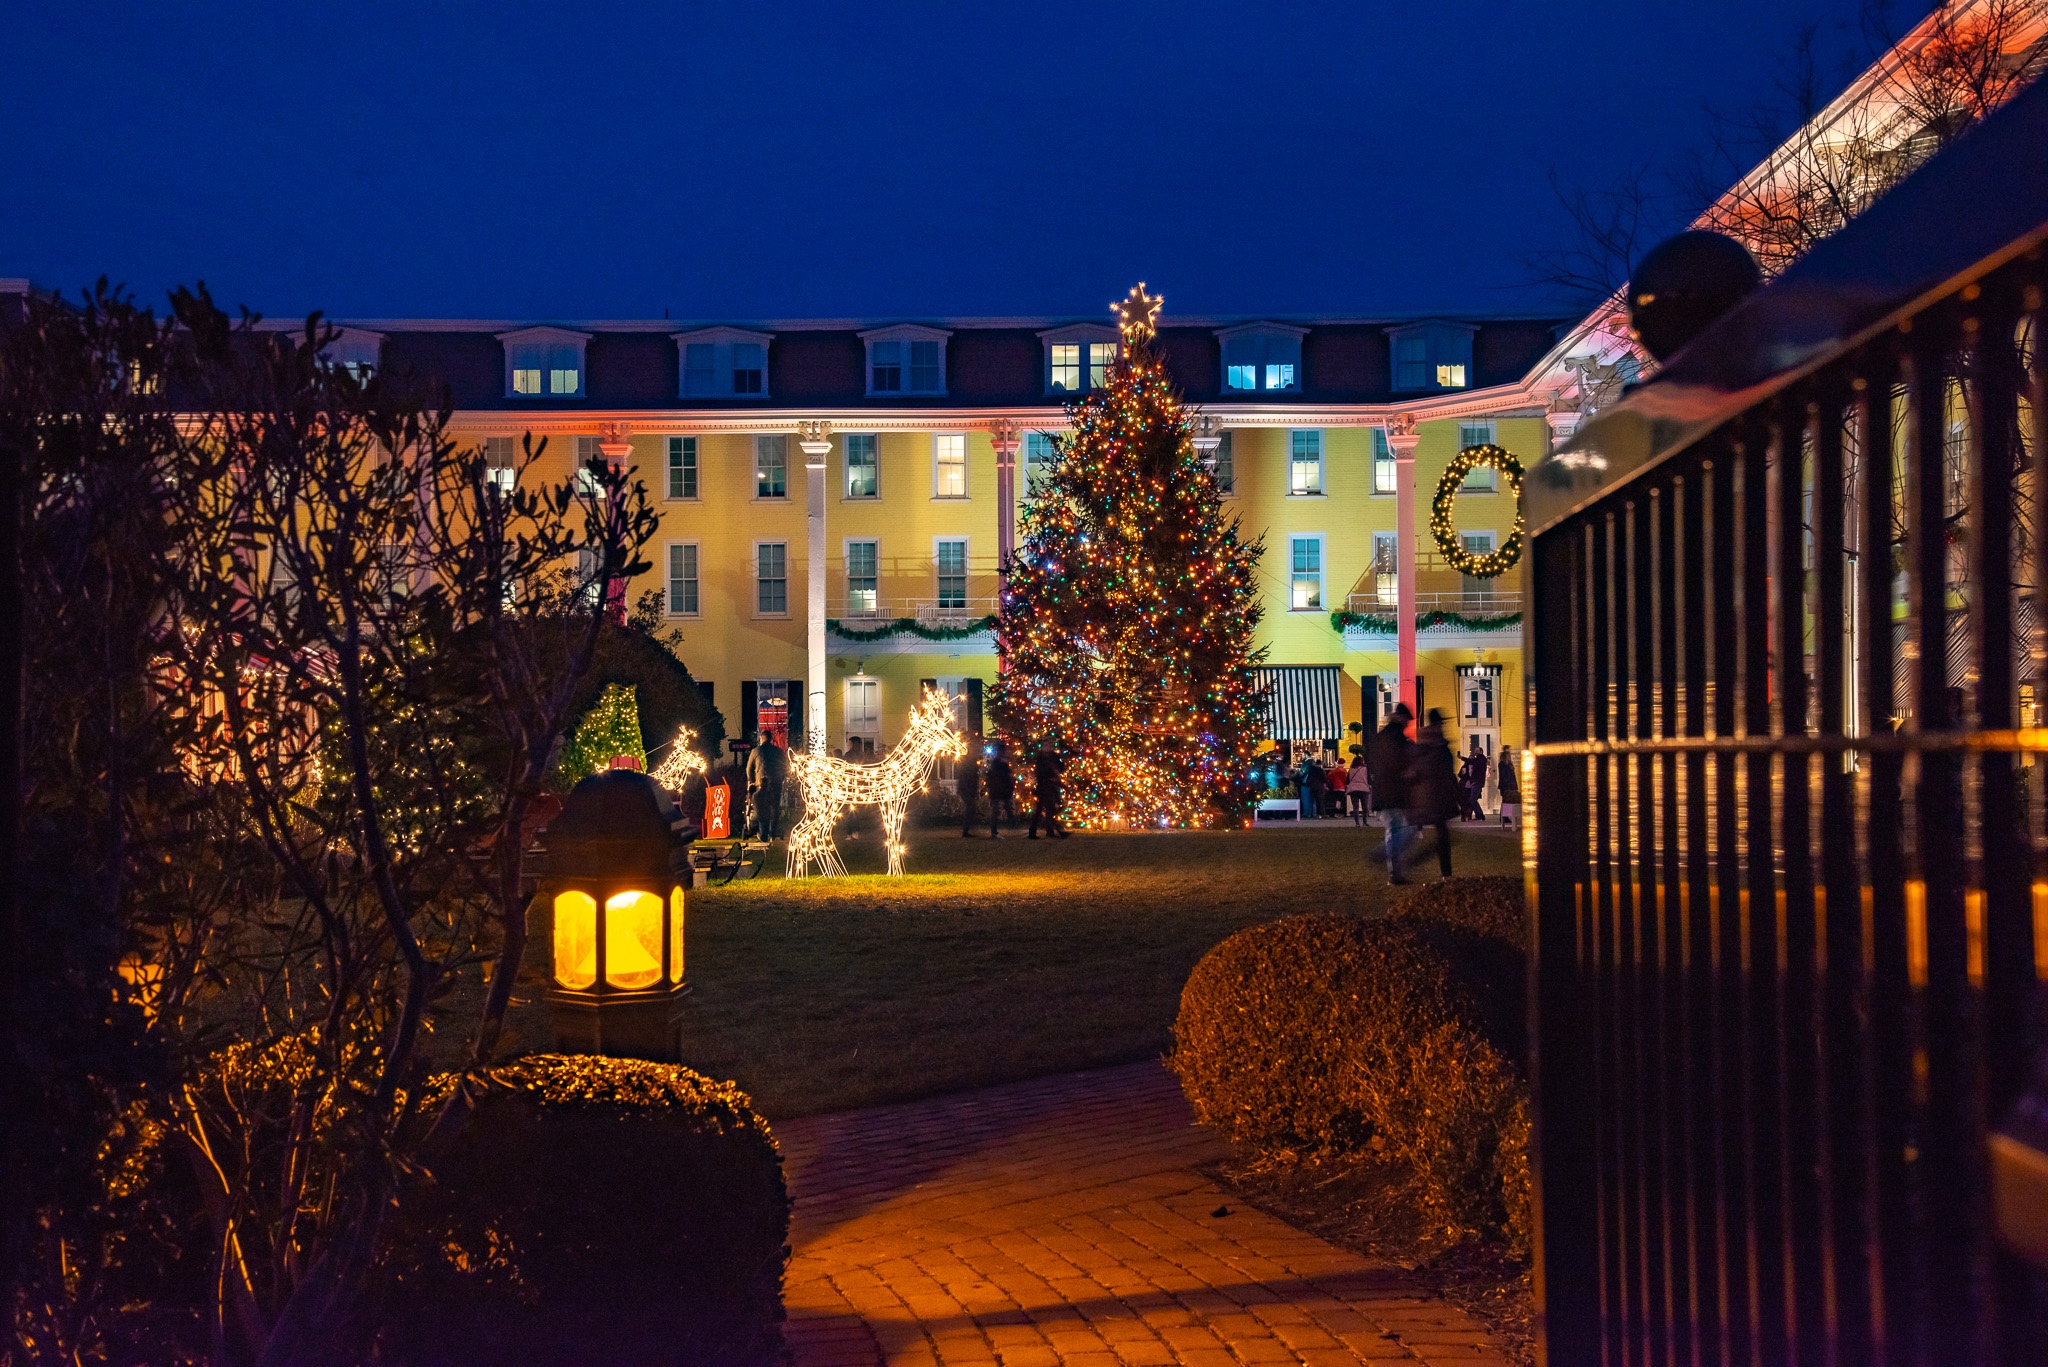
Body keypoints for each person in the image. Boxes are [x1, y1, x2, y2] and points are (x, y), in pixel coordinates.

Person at [1404, 709, 1462, 881]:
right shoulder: (1438, 746)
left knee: (1439, 835)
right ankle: (1441, 872)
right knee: (1442, 836)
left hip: (1429, 796)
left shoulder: (1425, 745)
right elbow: (1445, 772)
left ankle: (1443, 872)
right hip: (1436, 796)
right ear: (1438, 724)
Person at [1368, 704, 1415, 880]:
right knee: (1406, 828)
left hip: (1382, 790)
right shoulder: (1397, 739)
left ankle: (1395, 873)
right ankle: (1381, 854)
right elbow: (1399, 764)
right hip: (1394, 791)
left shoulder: (1380, 737)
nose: (1408, 724)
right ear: (1401, 718)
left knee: (1393, 830)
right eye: (1407, 720)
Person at [745, 729, 788, 840]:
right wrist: (781, 778)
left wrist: (752, 781)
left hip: (761, 784)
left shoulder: (756, 751)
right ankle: (772, 832)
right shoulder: (779, 752)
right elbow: (785, 767)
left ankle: (762, 832)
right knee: (774, 808)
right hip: (775, 783)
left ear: (762, 738)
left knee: (761, 808)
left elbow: (749, 769)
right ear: (771, 739)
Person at [1029, 744, 1067, 838]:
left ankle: (1049, 832)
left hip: (1051, 786)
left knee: (1047, 810)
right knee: (1047, 809)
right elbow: (1040, 773)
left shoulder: (1053, 757)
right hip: (1044, 786)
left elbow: (1061, 767)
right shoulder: (1041, 759)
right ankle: (1055, 831)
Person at [985, 743, 1016, 836]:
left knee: (1005, 808)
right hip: (999, 790)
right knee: (998, 810)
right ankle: (995, 831)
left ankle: (1012, 825)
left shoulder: (999, 763)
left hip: (1000, 790)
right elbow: (1002, 777)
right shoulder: (998, 763)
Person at [1458, 739, 1489, 822]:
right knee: (1473, 799)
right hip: (1476, 782)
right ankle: (1479, 815)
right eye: (1475, 750)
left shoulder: (1481, 759)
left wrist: (1462, 758)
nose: (1475, 752)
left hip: (1477, 782)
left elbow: (1472, 761)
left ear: (1481, 751)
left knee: (1472, 800)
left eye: (1477, 751)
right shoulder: (1479, 759)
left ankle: (1480, 816)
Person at [958, 746, 983, 837]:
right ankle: (966, 830)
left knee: (971, 808)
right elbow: (966, 778)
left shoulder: (972, 764)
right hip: (965, 789)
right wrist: (968, 789)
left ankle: (968, 829)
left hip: (968, 789)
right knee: (971, 807)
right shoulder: (968, 764)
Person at [1496, 744, 1521, 828]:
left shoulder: (1508, 764)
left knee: (1507, 802)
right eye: (1509, 755)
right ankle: (1503, 817)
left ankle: (1505, 817)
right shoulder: (1503, 764)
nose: (1510, 757)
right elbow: (1504, 776)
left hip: (1509, 785)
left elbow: (1511, 776)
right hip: (1506, 786)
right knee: (1505, 801)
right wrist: (1509, 785)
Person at [1346, 754, 1373, 825]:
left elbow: (1347, 780)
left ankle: (1357, 823)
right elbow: (1369, 779)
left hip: (1353, 789)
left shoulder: (1351, 769)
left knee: (1355, 807)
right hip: (1363, 788)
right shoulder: (1365, 769)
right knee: (1365, 807)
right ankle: (1365, 822)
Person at [1298, 753, 1323, 821]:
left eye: (1302, 755)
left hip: (1305, 783)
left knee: (1306, 798)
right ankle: (1313, 813)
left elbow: (1302, 772)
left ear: (1306, 755)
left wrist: (1297, 776)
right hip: (1313, 784)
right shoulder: (1312, 763)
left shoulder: (1306, 763)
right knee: (1312, 799)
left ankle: (1307, 813)